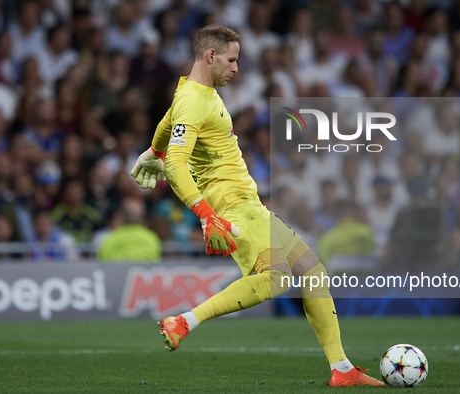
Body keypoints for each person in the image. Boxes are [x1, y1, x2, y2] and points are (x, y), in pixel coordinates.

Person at [130, 24, 384, 387]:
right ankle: (184, 321)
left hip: (250, 203)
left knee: (312, 272)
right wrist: (206, 214)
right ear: (211, 56)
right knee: (275, 279)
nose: (236, 68)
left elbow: (168, 124)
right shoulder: (194, 100)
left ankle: (341, 368)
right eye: (232, 60)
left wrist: (153, 150)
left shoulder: (192, 91)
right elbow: (176, 163)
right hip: (232, 204)